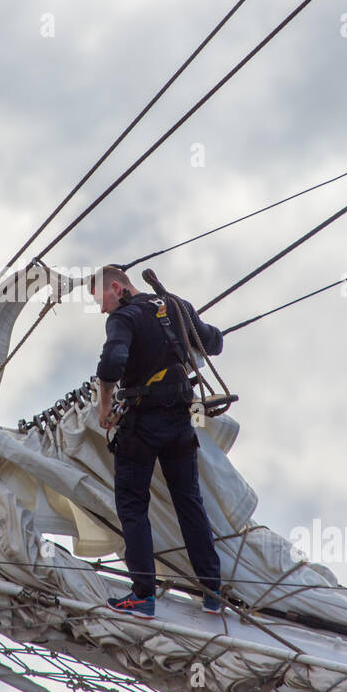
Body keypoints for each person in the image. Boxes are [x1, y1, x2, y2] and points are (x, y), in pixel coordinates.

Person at [91, 264, 224, 618]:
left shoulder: (123, 318)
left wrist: (105, 406)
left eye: (101, 300)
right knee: (188, 501)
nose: (102, 309)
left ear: (116, 287)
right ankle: (213, 591)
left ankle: (143, 595)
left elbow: (112, 363)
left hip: (142, 424)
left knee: (133, 504)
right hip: (181, 420)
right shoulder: (176, 306)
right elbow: (214, 342)